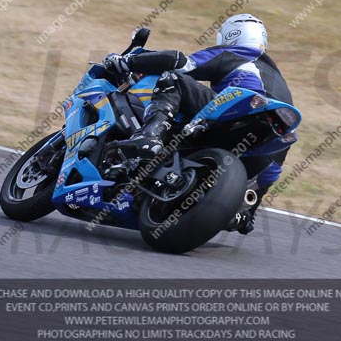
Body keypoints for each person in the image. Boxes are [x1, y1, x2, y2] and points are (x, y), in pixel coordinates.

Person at [103, 13, 294, 234]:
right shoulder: (280, 82)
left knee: (172, 79)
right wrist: (249, 206)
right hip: (262, 144)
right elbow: (272, 169)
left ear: (229, 36)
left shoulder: (238, 53)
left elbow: (179, 62)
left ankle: (151, 136)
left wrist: (128, 61)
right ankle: (235, 207)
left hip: (237, 111)